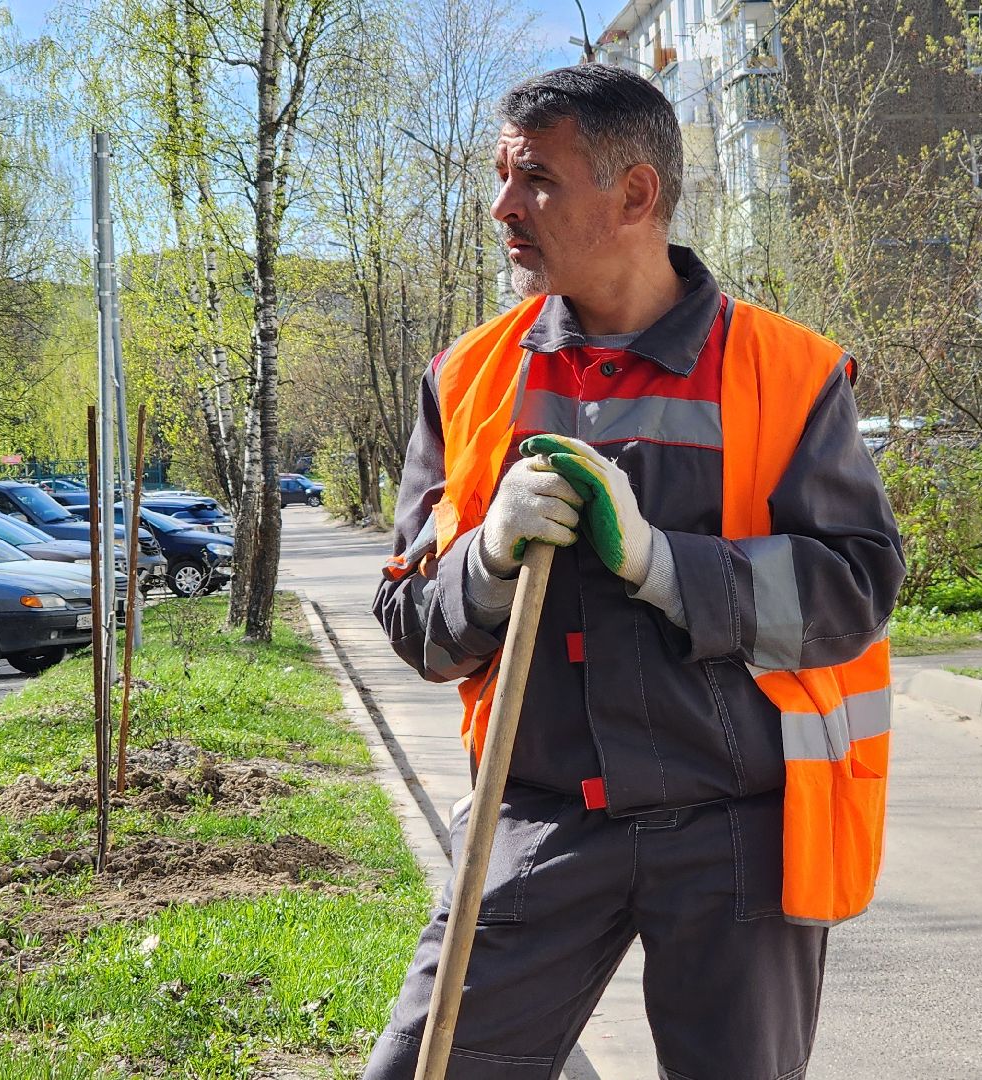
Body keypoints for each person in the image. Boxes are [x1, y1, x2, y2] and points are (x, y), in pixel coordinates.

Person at [367, 63, 905, 1080]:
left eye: (533, 179)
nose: (501, 207)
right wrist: (485, 558)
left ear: (634, 194)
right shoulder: (470, 379)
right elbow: (413, 624)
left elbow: (852, 596)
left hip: (735, 828)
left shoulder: (788, 375)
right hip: (536, 815)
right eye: (499, 175)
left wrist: (658, 560)